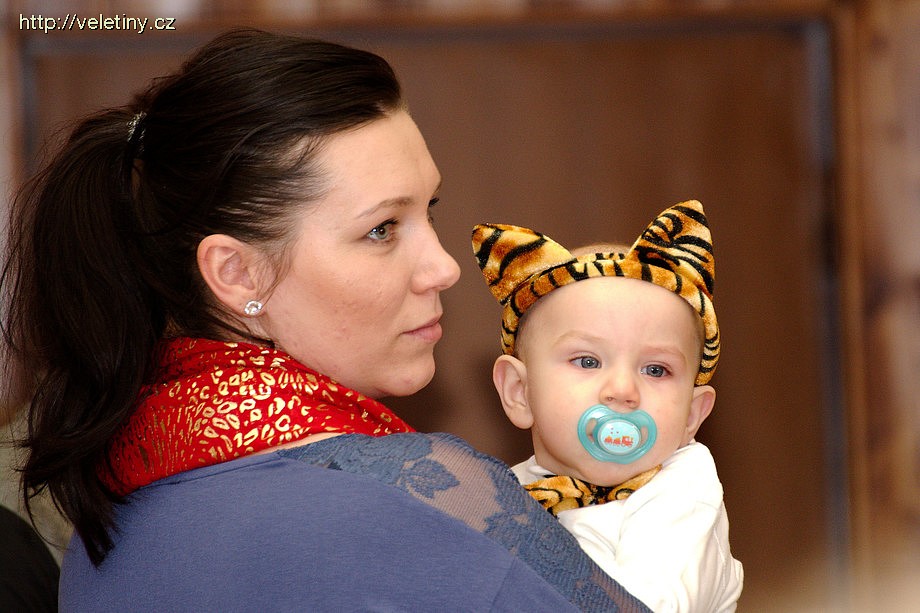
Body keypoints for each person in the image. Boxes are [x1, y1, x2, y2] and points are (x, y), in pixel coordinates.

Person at [0, 29, 651, 611]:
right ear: (237, 274)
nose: (444, 268)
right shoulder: (417, 497)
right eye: (382, 229)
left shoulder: (103, 523)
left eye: (428, 211)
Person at [472, 200, 744, 611]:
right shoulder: (507, 492)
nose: (622, 389)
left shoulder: (681, 493)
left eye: (655, 369)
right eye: (587, 362)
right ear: (519, 392)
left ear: (691, 415)